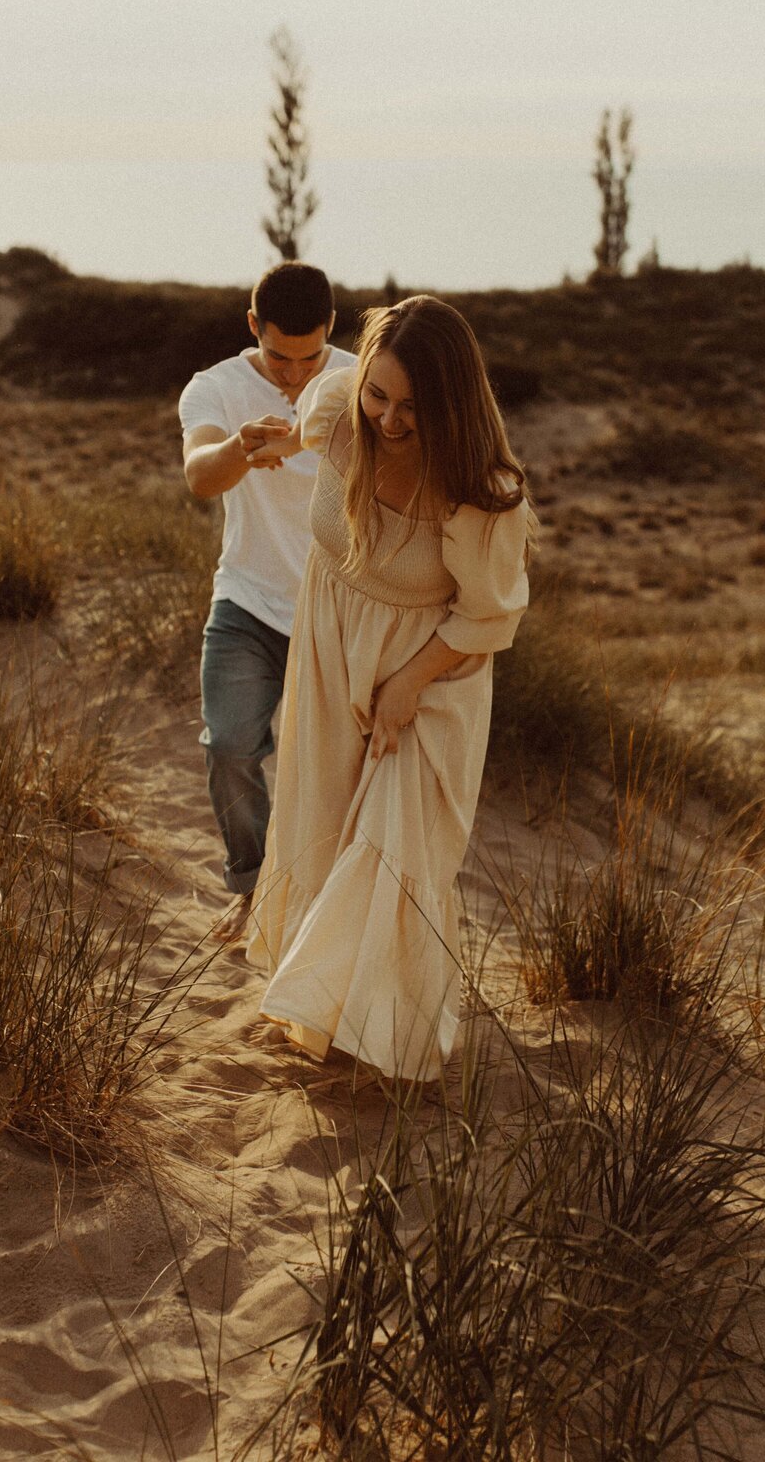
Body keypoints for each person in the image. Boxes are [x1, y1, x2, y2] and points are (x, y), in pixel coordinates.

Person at [243, 295, 535, 1082]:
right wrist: (266, 442)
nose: (389, 419)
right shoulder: (337, 408)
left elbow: (490, 614)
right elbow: (299, 431)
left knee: (391, 845)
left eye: (413, 407)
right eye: (379, 394)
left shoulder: (481, 489)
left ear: (451, 402)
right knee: (322, 821)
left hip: (432, 671)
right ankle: (319, 1017)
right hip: (330, 646)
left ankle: (386, 1042)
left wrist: (407, 683)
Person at [179, 262, 358, 920]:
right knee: (229, 745)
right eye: (280, 358)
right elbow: (200, 475)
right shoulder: (216, 387)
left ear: (331, 331)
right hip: (247, 603)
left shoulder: (361, 380)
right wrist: (242, 448)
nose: (294, 375)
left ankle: (326, 903)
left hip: (338, 609)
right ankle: (252, 886)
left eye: (309, 356)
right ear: (254, 327)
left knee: (336, 772)